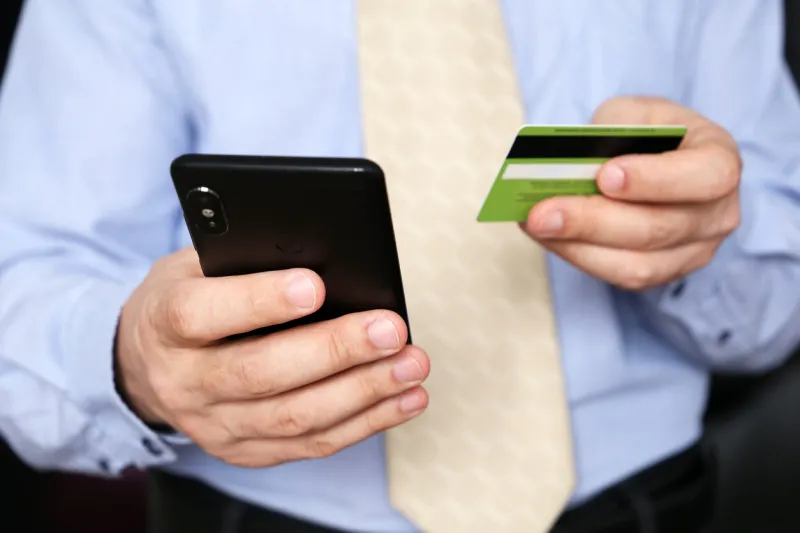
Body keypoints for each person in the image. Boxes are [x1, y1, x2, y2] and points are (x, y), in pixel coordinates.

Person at [1, 1, 799, 532]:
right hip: (259, 513)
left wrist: (702, 238)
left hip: (648, 505)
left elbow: (778, 309)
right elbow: (25, 291)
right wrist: (135, 360)